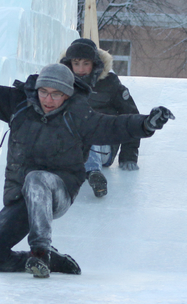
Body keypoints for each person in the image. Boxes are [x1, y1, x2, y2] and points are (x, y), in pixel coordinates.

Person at [0, 40, 175, 278]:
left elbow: (115, 126)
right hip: (22, 197)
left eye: (56, 94)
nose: (48, 100)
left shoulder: (79, 115)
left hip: (59, 192)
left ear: (67, 94)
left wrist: (147, 123)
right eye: (44, 92)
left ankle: (40, 250)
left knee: (37, 178)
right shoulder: (19, 105)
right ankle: (46, 260)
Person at [60, 38, 140, 198]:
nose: (80, 69)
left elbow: (132, 118)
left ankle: (93, 173)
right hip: (69, 147)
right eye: (76, 63)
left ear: (95, 63)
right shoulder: (63, 83)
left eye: (86, 63)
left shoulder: (110, 84)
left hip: (101, 146)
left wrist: (129, 155)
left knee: (87, 125)